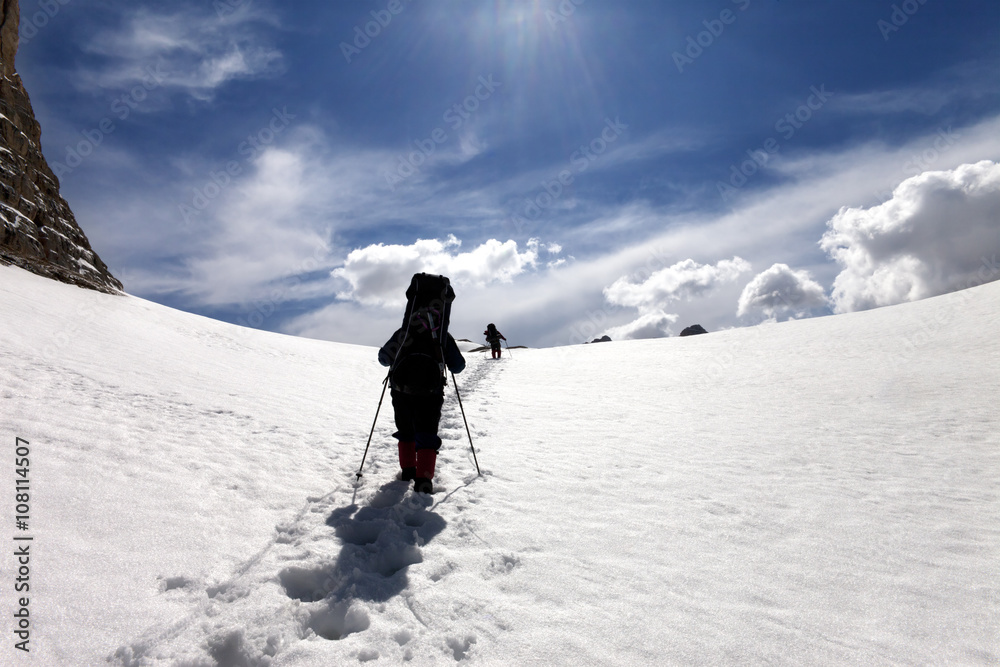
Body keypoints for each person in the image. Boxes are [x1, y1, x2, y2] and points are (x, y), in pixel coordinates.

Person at [378, 274, 465, 494]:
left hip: (401, 390)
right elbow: (458, 367)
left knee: (405, 430)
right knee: (427, 433)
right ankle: (424, 481)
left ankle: (408, 471)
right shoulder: (442, 335)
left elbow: (383, 358)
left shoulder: (405, 331)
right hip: (430, 393)